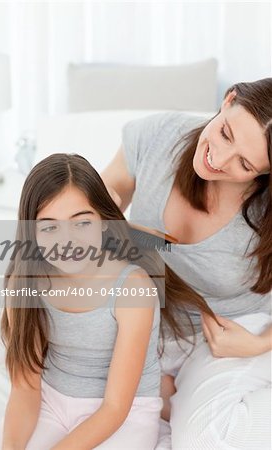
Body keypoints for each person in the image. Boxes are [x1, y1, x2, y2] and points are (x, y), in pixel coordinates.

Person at [0, 153, 214, 450]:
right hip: (51, 401)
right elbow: (25, 388)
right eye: (49, 227)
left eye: (82, 223)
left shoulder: (133, 288)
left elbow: (115, 407)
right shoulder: (25, 284)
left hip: (122, 413)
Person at [101, 78, 272, 449]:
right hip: (153, 325)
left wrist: (259, 344)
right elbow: (97, 206)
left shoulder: (264, 209)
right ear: (228, 100)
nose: (219, 161)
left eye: (245, 163)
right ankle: (165, 393)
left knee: (201, 439)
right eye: (226, 134)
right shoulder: (157, 136)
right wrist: (107, 219)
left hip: (234, 332)